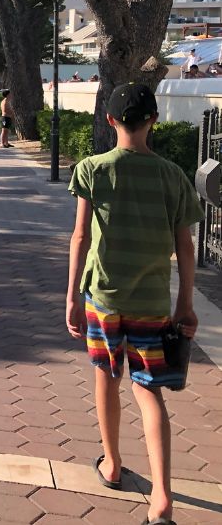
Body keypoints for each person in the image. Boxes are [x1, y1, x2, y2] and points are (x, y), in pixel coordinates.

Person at [67, 83, 202, 525]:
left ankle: (112, 463)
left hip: (103, 296)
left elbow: (81, 237)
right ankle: (162, 499)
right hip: (151, 300)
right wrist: (185, 305)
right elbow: (186, 247)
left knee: (106, 375)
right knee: (149, 392)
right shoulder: (173, 176)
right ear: (154, 121)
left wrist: (70, 296)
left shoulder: (92, 169)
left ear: (110, 121)